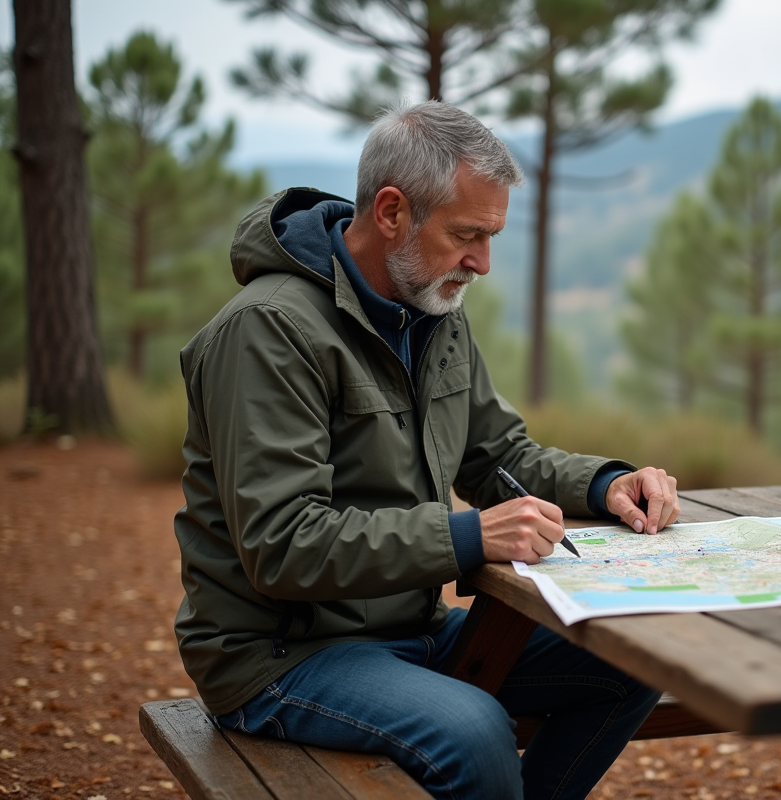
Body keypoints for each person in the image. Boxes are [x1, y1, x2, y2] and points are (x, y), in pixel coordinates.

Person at [172, 101, 681, 800]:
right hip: (281, 656)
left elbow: (496, 454)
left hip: (409, 629)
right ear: (390, 212)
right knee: (473, 732)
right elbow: (281, 544)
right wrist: (469, 535)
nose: (483, 263)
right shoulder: (268, 331)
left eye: (492, 236)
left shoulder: (432, 309)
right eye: (467, 234)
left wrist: (607, 483)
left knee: (636, 652)